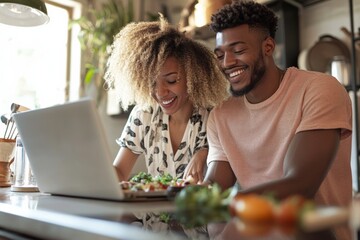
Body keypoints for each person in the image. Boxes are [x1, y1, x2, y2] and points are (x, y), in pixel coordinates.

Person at [202, 1, 353, 239]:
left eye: (238, 50)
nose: (227, 63)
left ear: (268, 46)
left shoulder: (318, 89)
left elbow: (300, 185)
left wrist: (235, 204)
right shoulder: (221, 115)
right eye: (220, 54)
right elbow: (215, 188)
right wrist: (191, 195)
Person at [104, 15, 229, 183]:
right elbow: (119, 173)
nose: (160, 93)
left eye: (171, 81)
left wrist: (204, 152)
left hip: (194, 208)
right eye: (152, 83)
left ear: (192, 76)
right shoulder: (144, 115)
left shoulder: (212, 118)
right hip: (151, 209)